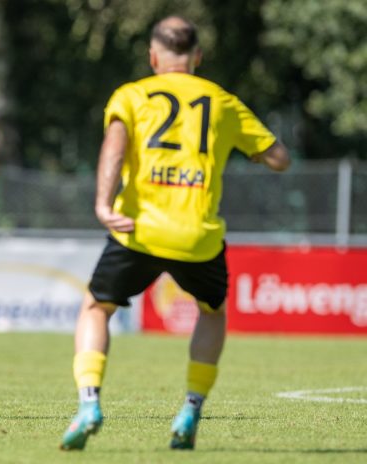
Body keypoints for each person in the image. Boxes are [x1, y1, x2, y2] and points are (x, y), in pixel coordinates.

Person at [60, 16, 290, 451]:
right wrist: (251, 150)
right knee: (212, 312)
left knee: (96, 307)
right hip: (197, 236)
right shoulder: (222, 101)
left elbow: (114, 148)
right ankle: (190, 409)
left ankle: (89, 403)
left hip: (138, 230)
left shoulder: (131, 95)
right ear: (197, 57)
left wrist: (103, 205)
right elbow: (279, 158)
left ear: (153, 57)